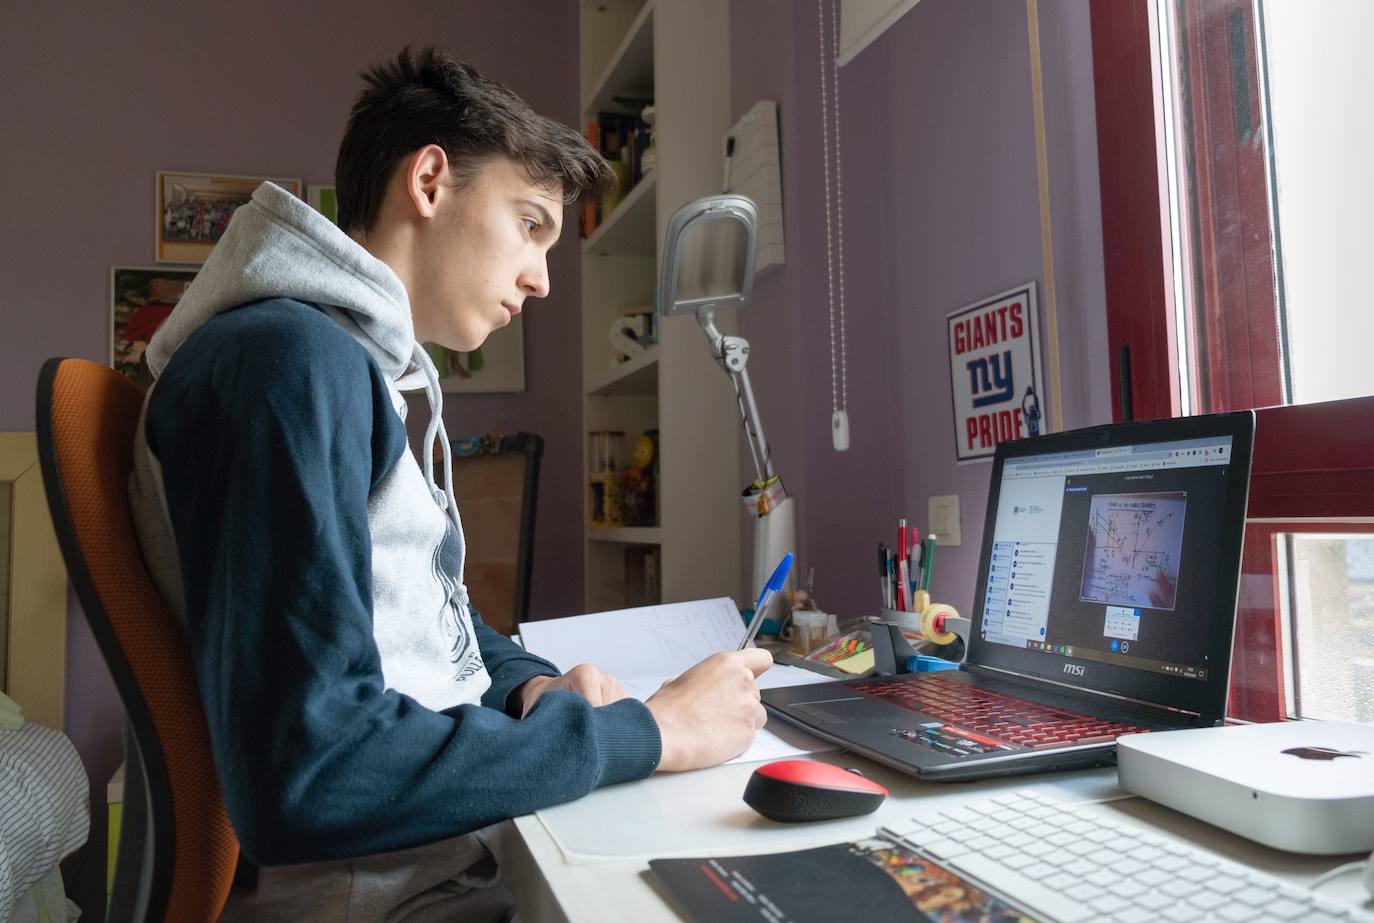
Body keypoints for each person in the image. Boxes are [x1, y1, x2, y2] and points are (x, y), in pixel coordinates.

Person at [128, 47, 772, 921]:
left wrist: (526, 686)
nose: (544, 276)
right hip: (398, 895)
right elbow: (313, 770)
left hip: (445, 856)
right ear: (430, 180)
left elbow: (432, 611)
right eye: (532, 223)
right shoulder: (285, 363)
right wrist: (653, 732)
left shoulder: (344, 364)